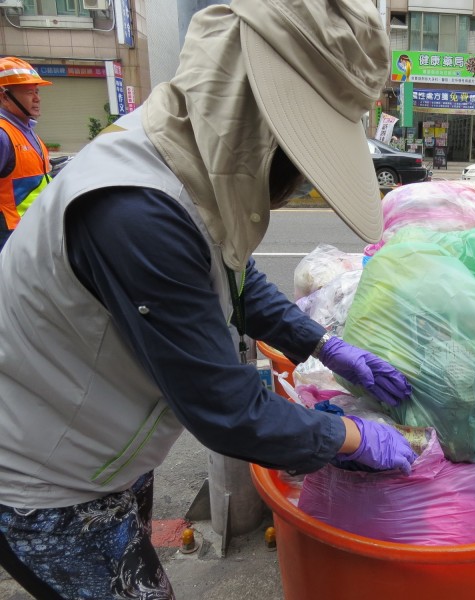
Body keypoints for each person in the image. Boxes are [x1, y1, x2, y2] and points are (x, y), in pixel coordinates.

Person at [0, 1, 417, 598]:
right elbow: (224, 408)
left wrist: (323, 344)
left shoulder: (185, 150)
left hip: (103, 446)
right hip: (44, 474)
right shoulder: (137, 209)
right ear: (253, 112)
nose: (298, 174)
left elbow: (234, 279)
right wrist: (348, 437)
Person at [0, 56, 52, 251]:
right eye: (30, 92)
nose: (37, 98)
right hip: (10, 239)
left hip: (31, 233)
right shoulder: (3, 135)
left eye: (37, 91)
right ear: (4, 97)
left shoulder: (26, 130)